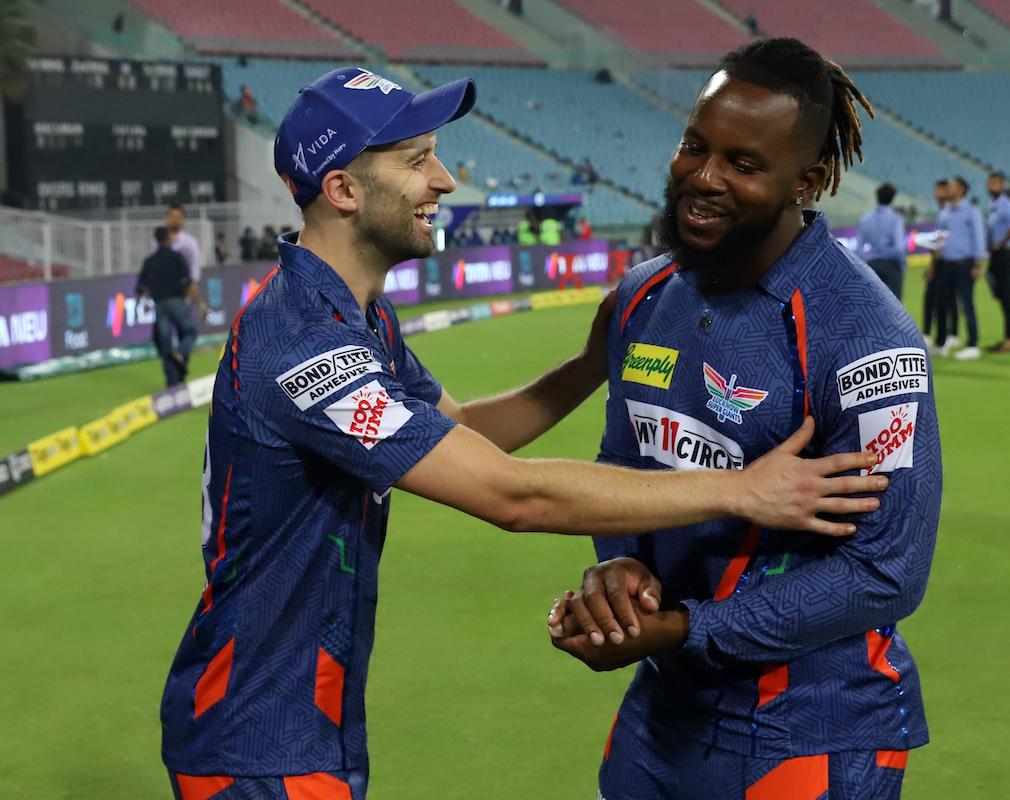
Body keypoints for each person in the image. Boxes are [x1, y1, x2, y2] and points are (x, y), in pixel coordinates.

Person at [159, 66, 886, 800]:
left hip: (290, 727)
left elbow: (467, 431)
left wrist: (589, 364)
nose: (444, 179)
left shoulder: (356, 318)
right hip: (255, 741)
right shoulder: (302, 344)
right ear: (344, 190)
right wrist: (744, 490)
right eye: (416, 160)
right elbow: (513, 495)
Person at [547, 38, 941, 799]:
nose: (704, 177)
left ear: (809, 181)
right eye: (695, 146)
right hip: (664, 715)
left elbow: (886, 572)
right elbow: (626, 466)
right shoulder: (641, 297)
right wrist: (623, 565)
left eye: (743, 163)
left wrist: (688, 630)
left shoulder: (866, 339)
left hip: (815, 727)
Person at [136, 226, 204, 387]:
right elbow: (189, 283)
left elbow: (140, 288)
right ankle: (180, 352)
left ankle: (172, 385)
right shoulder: (177, 257)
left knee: (165, 344)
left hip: (159, 305)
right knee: (190, 333)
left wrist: (143, 304)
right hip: (177, 302)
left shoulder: (149, 261)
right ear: (168, 238)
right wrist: (200, 302)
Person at [934, 177, 985, 360]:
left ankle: (973, 344)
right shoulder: (945, 212)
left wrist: (978, 264)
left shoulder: (971, 211)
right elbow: (941, 236)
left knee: (967, 304)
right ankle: (944, 341)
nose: (948, 188)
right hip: (946, 263)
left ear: (962, 189)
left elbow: (978, 237)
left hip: (965, 263)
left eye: (952, 185)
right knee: (944, 303)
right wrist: (937, 253)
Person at [985, 171, 1010, 353]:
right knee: (996, 287)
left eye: (994, 183)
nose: (990, 187)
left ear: (1002, 185)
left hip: (1005, 253)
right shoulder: (993, 206)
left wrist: (1000, 243)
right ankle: (1009, 336)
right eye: (989, 183)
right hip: (996, 254)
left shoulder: (1007, 205)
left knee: (1006, 295)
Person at [856, 182, 907, 300]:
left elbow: (859, 248)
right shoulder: (896, 219)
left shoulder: (865, 219)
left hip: (872, 264)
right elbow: (899, 248)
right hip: (891, 265)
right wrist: (902, 265)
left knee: (873, 305)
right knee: (895, 308)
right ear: (892, 198)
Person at [923, 179, 958, 348]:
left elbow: (943, 242)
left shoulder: (947, 213)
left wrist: (932, 264)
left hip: (944, 261)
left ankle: (942, 336)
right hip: (946, 260)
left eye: (940, 190)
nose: (937, 194)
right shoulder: (946, 212)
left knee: (940, 298)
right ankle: (951, 334)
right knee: (949, 298)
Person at [165, 203, 203, 285]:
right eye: (172, 217)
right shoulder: (157, 242)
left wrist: (193, 285)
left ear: (183, 219)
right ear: (167, 219)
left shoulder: (190, 242)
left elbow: (194, 266)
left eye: (177, 217)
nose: (174, 220)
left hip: (182, 289)